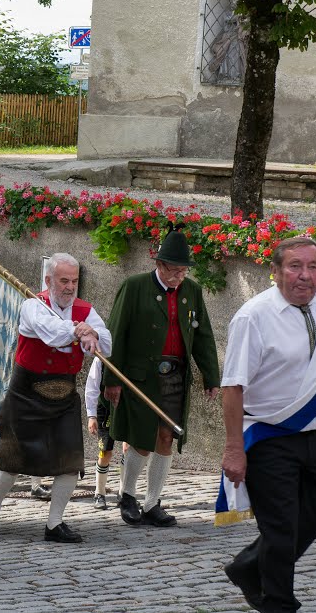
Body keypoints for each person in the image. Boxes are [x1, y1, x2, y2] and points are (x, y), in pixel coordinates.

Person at [220, 237, 316, 613]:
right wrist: (233, 449)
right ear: (274, 272)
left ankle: (247, 567)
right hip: (269, 437)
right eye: (294, 266)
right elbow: (232, 386)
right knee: (280, 528)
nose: (304, 276)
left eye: (312, 267)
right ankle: (279, 603)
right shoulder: (253, 316)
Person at [0, 253, 111, 543]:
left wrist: (95, 335)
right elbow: (52, 334)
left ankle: (54, 523)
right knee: (12, 458)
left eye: (74, 281)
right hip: (27, 391)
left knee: (69, 460)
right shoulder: (32, 306)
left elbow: (107, 344)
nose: (69, 287)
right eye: (64, 280)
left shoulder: (86, 310)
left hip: (64, 393)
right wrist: (81, 331)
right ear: (49, 280)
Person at [103, 225, 220, 527]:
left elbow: (203, 335)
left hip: (175, 375)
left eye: (183, 271)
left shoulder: (191, 291)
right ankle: (127, 495)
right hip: (140, 376)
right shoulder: (135, 286)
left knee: (167, 435)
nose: (180, 277)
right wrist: (111, 379)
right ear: (159, 264)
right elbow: (115, 333)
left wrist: (211, 376)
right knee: (141, 438)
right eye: (175, 271)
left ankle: (153, 502)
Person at [84, 356, 115, 509]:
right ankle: (99, 492)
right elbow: (92, 386)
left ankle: (125, 493)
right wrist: (91, 416)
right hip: (105, 408)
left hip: (126, 407)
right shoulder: (100, 359)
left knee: (128, 449)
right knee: (105, 452)